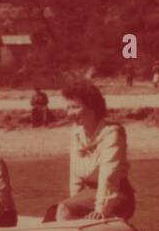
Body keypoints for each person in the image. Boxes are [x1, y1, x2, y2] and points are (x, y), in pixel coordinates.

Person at [43, 79, 136, 222]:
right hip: (90, 195)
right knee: (57, 211)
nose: (70, 113)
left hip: (116, 194)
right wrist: (75, 201)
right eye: (68, 108)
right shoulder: (76, 131)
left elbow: (109, 175)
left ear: (92, 107)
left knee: (62, 209)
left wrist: (101, 210)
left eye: (75, 107)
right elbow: (75, 174)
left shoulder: (112, 133)